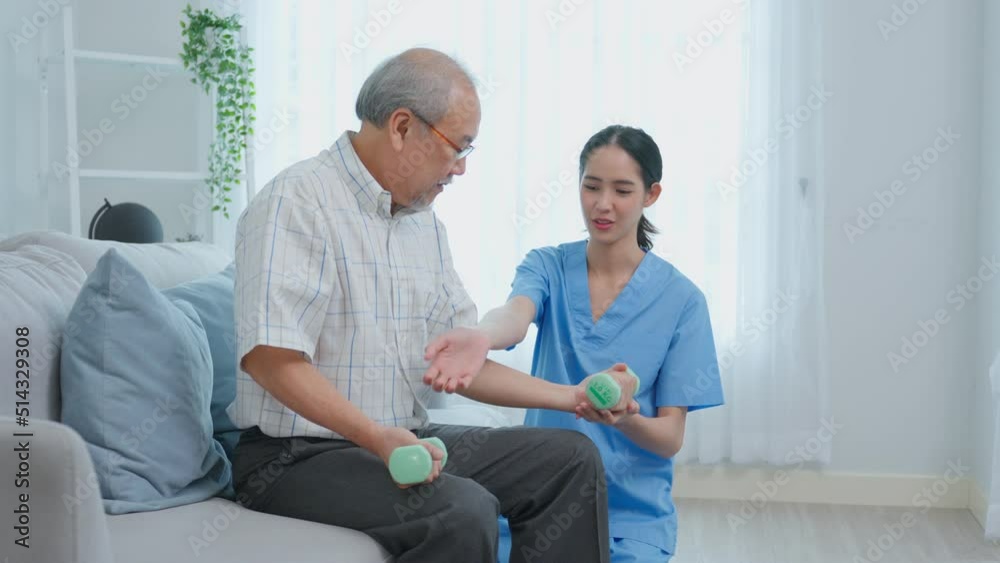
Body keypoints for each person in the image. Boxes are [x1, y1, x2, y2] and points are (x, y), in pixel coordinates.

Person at [228, 48, 633, 563]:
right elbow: (271, 359)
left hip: (402, 442)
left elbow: (460, 363)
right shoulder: (296, 201)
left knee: (568, 458)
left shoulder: (424, 226)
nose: (461, 168)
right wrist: (377, 438)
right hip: (293, 459)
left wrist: (572, 396)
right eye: (457, 147)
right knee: (462, 511)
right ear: (402, 127)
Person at [424, 125, 726, 562]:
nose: (603, 204)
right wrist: (482, 336)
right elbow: (515, 316)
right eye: (592, 186)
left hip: (630, 520)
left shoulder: (683, 301)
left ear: (651, 194)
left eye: (622, 190)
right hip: (540, 498)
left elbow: (668, 439)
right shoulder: (548, 266)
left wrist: (624, 418)